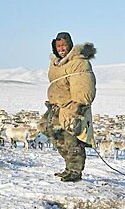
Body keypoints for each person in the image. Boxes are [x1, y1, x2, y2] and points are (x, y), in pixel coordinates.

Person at [41, 32, 97, 182]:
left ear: (70, 45)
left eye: (64, 45)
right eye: (58, 46)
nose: (61, 48)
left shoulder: (79, 63)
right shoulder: (56, 64)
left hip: (72, 107)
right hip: (57, 106)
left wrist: (78, 108)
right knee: (53, 133)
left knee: (72, 139)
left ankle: (75, 171)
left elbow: (84, 87)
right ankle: (68, 166)